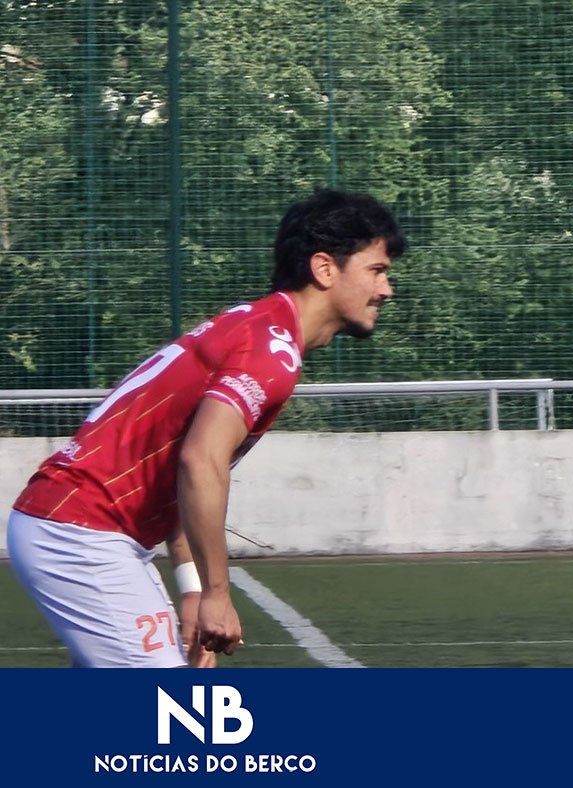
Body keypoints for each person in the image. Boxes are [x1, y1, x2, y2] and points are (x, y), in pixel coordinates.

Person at [7, 190, 403, 667]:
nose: (386, 289)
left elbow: (181, 469)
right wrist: (217, 594)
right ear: (324, 268)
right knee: (170, 709)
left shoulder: (253, 325)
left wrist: (193, 590)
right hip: (81, 533)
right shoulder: (271, 350)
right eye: (376, 270)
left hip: (83, 529)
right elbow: (201, 462)